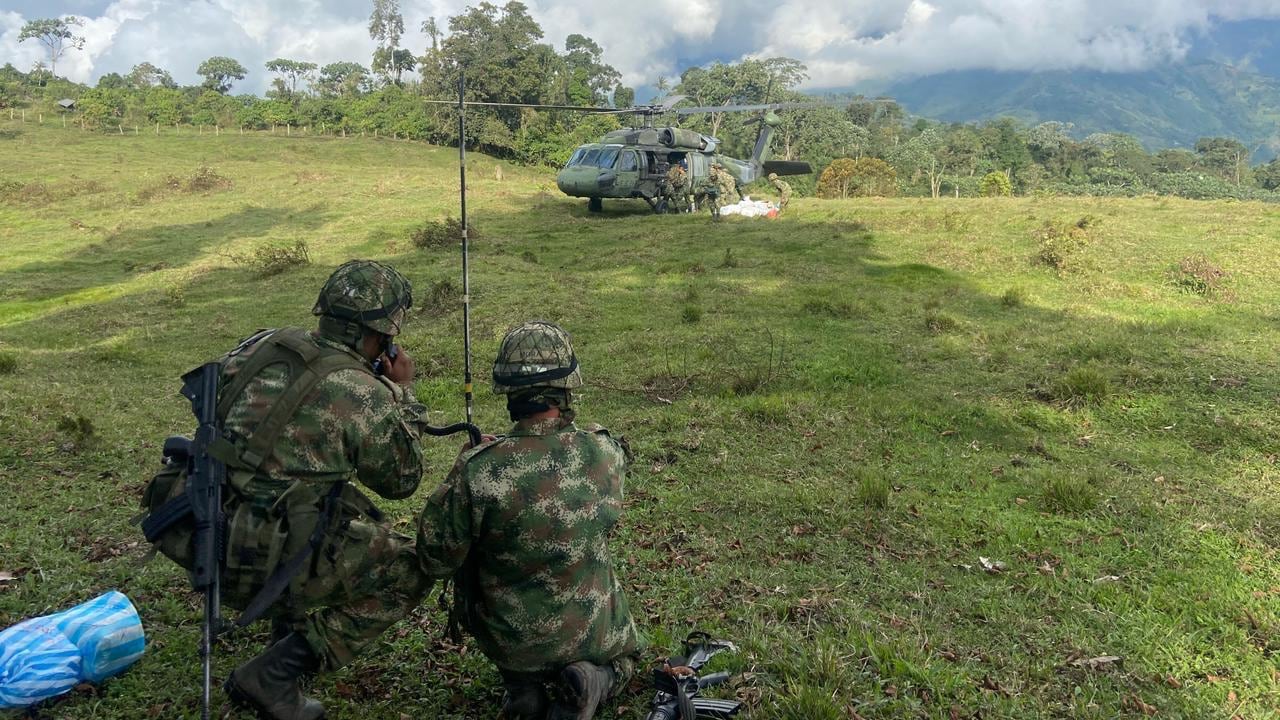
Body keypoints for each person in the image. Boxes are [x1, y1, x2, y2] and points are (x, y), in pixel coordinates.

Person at [140, 260, 434, 720]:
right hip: (261, 560)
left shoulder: (262, 345)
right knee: (412, 569)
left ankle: (288, 621)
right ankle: (272, 676)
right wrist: (403, 393)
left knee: (312, 506)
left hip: (200, 529)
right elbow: (402, 481)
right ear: (384, 335)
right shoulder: (361, 392)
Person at [416, 321, 641, 720]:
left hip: (513, 646)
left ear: (508, 393)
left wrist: (459, 472)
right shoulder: (605, 454)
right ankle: (594, 680)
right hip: (594, 635)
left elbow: (435, 558)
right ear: (567, 387)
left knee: (523, 668)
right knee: (627, 662)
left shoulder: (479, 470)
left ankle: (524, 691)